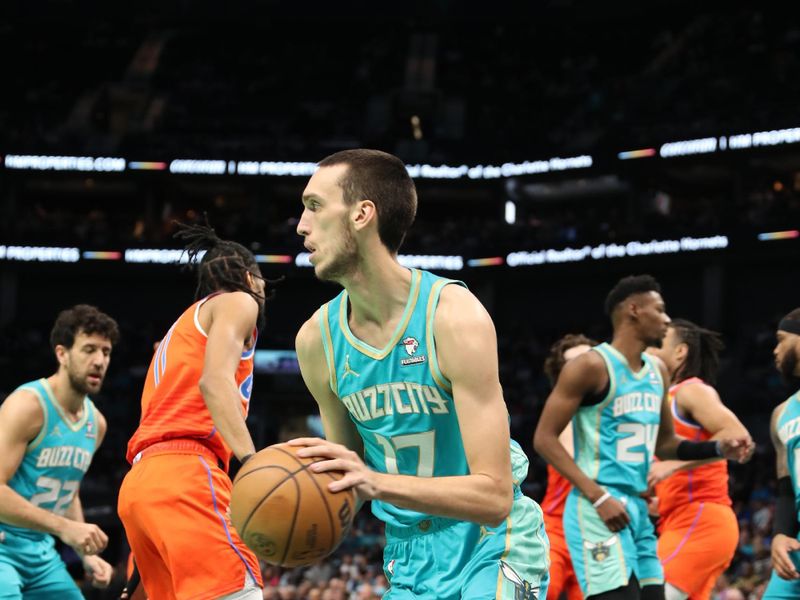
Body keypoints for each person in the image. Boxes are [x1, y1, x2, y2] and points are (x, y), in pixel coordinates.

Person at [291, 149, 550, 599]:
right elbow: (344, 480)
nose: (301, 225)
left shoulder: (452, 316)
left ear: (361, 214)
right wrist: (287, 504)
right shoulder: (317, 342)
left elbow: (494, 497)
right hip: (408, 556)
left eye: (314, 206)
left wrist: (374, 483)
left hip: (492, 543)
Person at [534, 275, 753, 600]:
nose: (666, 319)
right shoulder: (591, 366)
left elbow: (666, 445)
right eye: (660, 310)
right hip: (598, 508)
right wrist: (598, 497)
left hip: (638, 510)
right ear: (633, 311)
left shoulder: (658, 373)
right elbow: (543, 439)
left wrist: (718, 447)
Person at [117, 222, 271, 600]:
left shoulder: (177, 331)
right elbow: (214, 382)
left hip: (141, 485)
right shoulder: (239, 300)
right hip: (187, 473)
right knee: (240, 591)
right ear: (251, 277)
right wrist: (253, 465)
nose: (264, 289)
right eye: (263, 280)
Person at [0, 304, 118, 598]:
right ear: (62, 354)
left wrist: (85, 553)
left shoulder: (96, 424)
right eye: (89, 349)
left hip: (40, 552)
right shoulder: (27, 406)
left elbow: (68, 490)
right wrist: (65, 529)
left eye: (105, 352)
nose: (99, 361)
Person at [646, 319, 752, 600]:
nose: (647, 350)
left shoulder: (691, 391)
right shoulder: (662, 399)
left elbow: (739, 437)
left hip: (700, 520)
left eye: (656, 344)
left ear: (680, 352)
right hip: (678, 520)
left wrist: (673, 464)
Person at [541, 333, 597, 600]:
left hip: (597, 530)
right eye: (573, 364)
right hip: (556, 527)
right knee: (543, 591)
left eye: (588, 361)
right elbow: (579, 460)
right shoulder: (561, 414)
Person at [763, 308, 800, 599]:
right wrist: (780, 534)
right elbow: (786, 490)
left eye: (781, 339)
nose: (775, 350)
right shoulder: (782, 414)